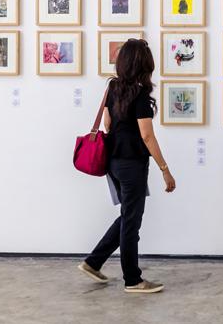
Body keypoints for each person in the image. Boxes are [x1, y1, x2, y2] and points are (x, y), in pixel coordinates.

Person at [77, 38, 176, 294]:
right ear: (144, 65)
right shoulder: (140, 95)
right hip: (132, 164)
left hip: (113, 162)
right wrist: (165, 169)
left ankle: (93, 262)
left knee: (127, 216)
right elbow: (147, 136)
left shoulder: (113, 88)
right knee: (131, 222)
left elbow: (108, 124)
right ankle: (133, 280)